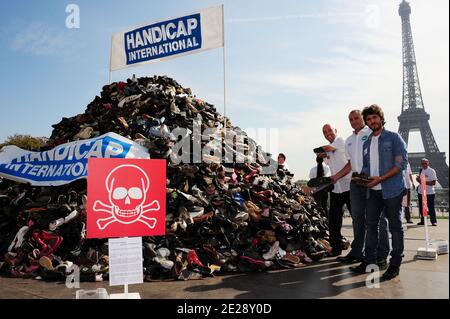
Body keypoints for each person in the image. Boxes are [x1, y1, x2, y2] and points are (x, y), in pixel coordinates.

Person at [350, 104, 407, 281]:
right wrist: (363, 178)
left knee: (395, 227)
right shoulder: (367, 142)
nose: (372, 121)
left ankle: (395, 264)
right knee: (371, 226)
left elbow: (400, 164)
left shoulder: (394, 137)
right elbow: (367, 166)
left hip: (391, 190)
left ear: (381, 118)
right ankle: (369, 262)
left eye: (375, 118)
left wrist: (380, 178)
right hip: (373, 191)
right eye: (369, 119)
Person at [330, 110, 389, 267]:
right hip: (355, 181)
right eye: (350, 119)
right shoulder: (349, 140)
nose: (354, 121)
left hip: (371, 179)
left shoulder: (372, 133)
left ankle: (381, 255)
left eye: (356, 118)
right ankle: (358, 252)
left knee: (378, 219)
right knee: (357, 219)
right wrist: (335, 176)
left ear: (363, 118)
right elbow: (349, 164)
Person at [318, 124, 351, 256]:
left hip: (348, 186)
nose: (327, 134)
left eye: (330, 130)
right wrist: (323, 156)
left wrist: (324, 152)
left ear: (336, 130)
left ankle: (362, 248)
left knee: (357, 218)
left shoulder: (341, 142)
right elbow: (329, 161)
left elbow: (349, 162)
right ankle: (336, 247)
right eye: (325, 132)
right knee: (334, 220)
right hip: (336, 188)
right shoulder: (329, 150)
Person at [416, 158, 438, 226]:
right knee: (422, 208)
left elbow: (433, 182)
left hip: (429, 193)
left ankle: (433, 221)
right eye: (422, 163)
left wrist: (422, 181)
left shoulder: (432, 171)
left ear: (428, 163)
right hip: (421, 192)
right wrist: (418, 180)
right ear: (421, 164)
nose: (424, 165)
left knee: (431, 208)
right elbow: (420, 181)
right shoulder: (421, 170)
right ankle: (423, 221)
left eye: (425, 163)